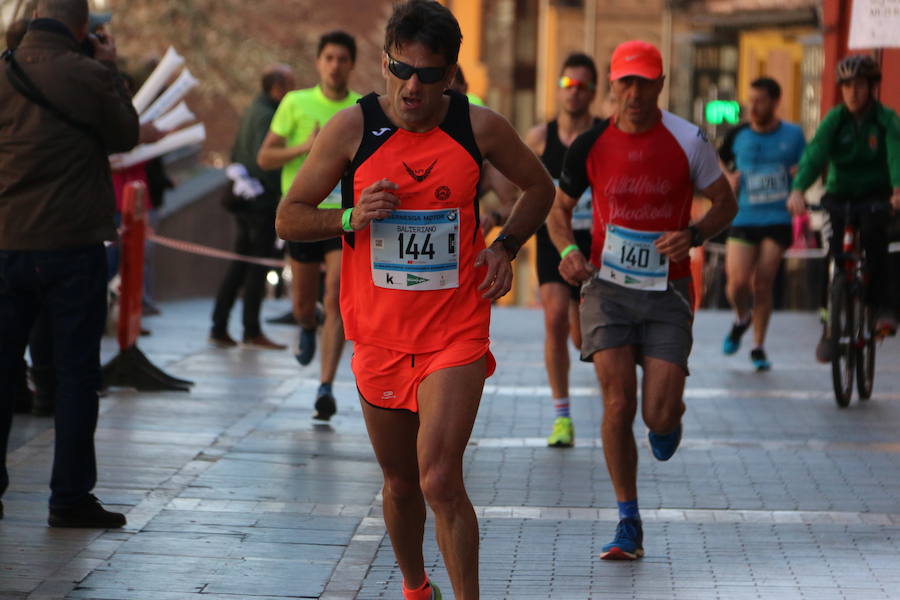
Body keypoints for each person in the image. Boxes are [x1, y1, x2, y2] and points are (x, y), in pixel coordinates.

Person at [275, 2, 554, 596]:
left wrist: (506, 246)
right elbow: (289, 216)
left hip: (455, 330)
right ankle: (414, 586)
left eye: (428, 75)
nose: (411, 87)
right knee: (401, 483)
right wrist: (351, 214)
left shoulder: (478, 127)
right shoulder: (351, 129)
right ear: (384, 63)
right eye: (401, 70)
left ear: (450, 76)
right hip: (378, 334)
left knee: (439, 479)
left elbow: (540, 187)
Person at [548, 40, 736, 560]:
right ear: (612, 85)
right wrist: (567, 250)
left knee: (655, 414)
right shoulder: (589, 144)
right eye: (625, 82)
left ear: (660, 85)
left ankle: (669, 415)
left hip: (668, 288)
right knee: (617, 402)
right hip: (607, 288)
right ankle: (627, 519)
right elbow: (556, 211)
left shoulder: (687, 139)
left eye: (644, 82)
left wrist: (694, 235)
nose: (634, 93)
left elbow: (726, 203)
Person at [0, 0, 139, 526]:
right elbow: (125, 134)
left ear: (36, 18)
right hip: (72, 246)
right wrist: (109, 68)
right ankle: (69, 498)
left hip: (7, 243)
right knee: (77, 375)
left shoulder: (3, 70)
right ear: (83, 28)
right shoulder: (88, 73)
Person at [258, 31, 361, 421]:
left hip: (342, 216)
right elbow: (265, 157)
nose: (335, 65)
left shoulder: (360, 109)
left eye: (342, 58)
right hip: (303, 216)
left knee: (335, 297)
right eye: (329, 58)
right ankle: (306, 323)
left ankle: (326, 386)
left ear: (352, 64)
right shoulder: (295, 103)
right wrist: (307, 148)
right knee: (305, 304)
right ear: (319, 63)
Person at [788, 54, 900, 360]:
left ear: (872, 87)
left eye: (860, 85)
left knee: (877, 244)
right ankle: (829, 324)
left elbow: (895, 154)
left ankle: (882, 309)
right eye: (847, 86)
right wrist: (798, 190)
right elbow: (815, 154)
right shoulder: (835, 119)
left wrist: (897, 189)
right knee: (834, 256)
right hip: (839, 195)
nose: (853, 92)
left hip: (875, 196)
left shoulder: (885, 119)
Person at [524, 52, 600, 448]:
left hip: (596, 242)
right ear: (559, 88)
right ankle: (562, 417)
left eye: (582, 86)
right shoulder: (540, 137)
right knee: (554, 319)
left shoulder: (605, 136)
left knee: (582, 337)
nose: (574, 93)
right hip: (553, 239)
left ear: (594, 92)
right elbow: (513, 176)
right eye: (568, 85)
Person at [718, 77, 806, 371]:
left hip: (778, 217)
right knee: (737, 284)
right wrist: (728, 178)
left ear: (775, 102)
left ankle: (758, 345)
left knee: (763, 281)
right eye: (750, 99)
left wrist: (800, 182)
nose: (753, 106)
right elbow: (716, 158)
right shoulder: (738, 135)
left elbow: (810, 166)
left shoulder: (793, 136)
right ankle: (742, 316)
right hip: (744, 216)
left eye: (760, 100)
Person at [210, 65, 295, 350]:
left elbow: (236, 152)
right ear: (277, 88)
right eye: (290, 87)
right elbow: (265, 159)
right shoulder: (268, 116)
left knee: (240, 263)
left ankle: (219, 324)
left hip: (246, 197)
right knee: (256, 266)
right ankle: (251, 328)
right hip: (259, 201)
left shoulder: (251, 110)